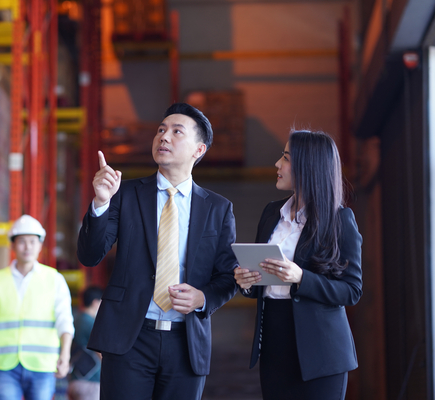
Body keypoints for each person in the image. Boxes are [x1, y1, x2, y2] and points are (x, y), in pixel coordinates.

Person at [77, 103, 238, 400]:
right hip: (129, 339)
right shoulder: (124, 194)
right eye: (161, 130)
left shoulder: (218, 208)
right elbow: (89, 255)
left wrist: (204, 298)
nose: (164, 137)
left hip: (185, 343)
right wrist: (100, 203)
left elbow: (228, 276)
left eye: (177, 132)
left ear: (198, 150)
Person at [234, 130, 363, 400]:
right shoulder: (271, 213)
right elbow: (262, 285)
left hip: (321, 354)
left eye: (286, 158)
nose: (277, 165)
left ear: (308, 165)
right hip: (274, 346)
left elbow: (351, 290)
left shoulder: (340, 219)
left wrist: (302, 278)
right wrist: (247, 282)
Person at [0, 215, 75, 400]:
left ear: (40, 245)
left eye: (33, 241)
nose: (27, 247)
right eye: (22, 241)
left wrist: (65, 354)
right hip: (5, 368)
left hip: (42, 367)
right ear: (12, 245)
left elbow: (65, 320)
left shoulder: (54, 279)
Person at [68, 286, 103, 400]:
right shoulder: (91, 323)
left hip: (75, 379)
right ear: (95, 302)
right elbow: (101, 353)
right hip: (90, 381)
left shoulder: (77, 319)